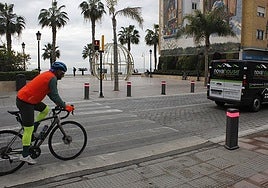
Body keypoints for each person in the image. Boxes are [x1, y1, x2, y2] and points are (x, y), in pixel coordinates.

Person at [16, 61, 74, 164]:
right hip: (25, 101)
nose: (63, 75)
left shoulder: (48, 75)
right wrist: (65, 106)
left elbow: (51, 94)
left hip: (30, 99)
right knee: (28, 130)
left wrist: (60, 103)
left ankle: (34, 129)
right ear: (57, 71)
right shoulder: (52, 78)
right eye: (62, 72)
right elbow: (55, 95)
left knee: (45, 110)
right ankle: (24, 155)